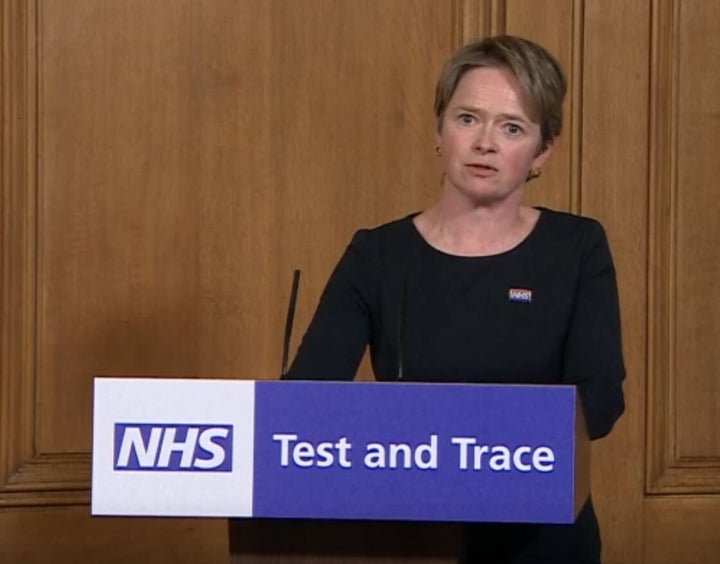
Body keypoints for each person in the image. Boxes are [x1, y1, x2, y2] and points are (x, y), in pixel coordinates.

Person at [283, 35, 625, 563]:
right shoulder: (378, 255)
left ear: (543, 150)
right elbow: (306, 400)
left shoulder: (576, 248)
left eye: (512, 127)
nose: (485, 142)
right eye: (468, 119)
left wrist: (480, 445)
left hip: (540, 535)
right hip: (410, 533)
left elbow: (600, 399)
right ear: (440, 130)